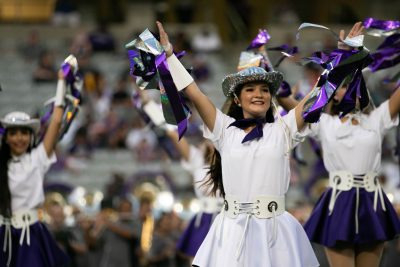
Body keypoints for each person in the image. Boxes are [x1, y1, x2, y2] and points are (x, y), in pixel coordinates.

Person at [156, 21, 319, 267]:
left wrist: (347, 58)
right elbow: (195, 93)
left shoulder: (283, 130)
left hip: (276, 233)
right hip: (232, 230)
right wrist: (170, 56)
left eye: (265, 90)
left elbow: (313, 100)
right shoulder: (224, 130)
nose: (258, 94)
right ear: (237, 98)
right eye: (250, 89)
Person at [0, 57, 75, 267]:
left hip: (31, 234)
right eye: (13, 133)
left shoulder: (38, 158)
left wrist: (61, 82)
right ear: (6, 137)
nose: (19, 138)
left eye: (24, 133)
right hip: (2, 235)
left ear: (31, 136)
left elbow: (57, 121)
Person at [165, 130, 223, 261]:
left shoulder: (232, 158)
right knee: (197, 259)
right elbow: (174, 135)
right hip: (204, 217)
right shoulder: (197, 159)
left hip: (226, 216)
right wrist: (166, 122)